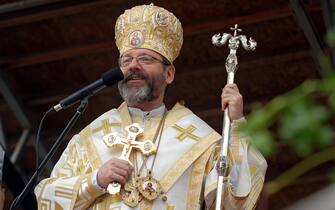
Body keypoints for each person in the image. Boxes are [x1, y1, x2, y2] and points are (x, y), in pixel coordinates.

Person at [34, 3, 267, 210]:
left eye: (146, 59)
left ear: (169, 73)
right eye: (127, 61)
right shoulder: (90, 137)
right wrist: (96, 180)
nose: (134, 66)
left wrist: (236, 125)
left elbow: (234, 202)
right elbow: (44, 197)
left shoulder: (200, 140)